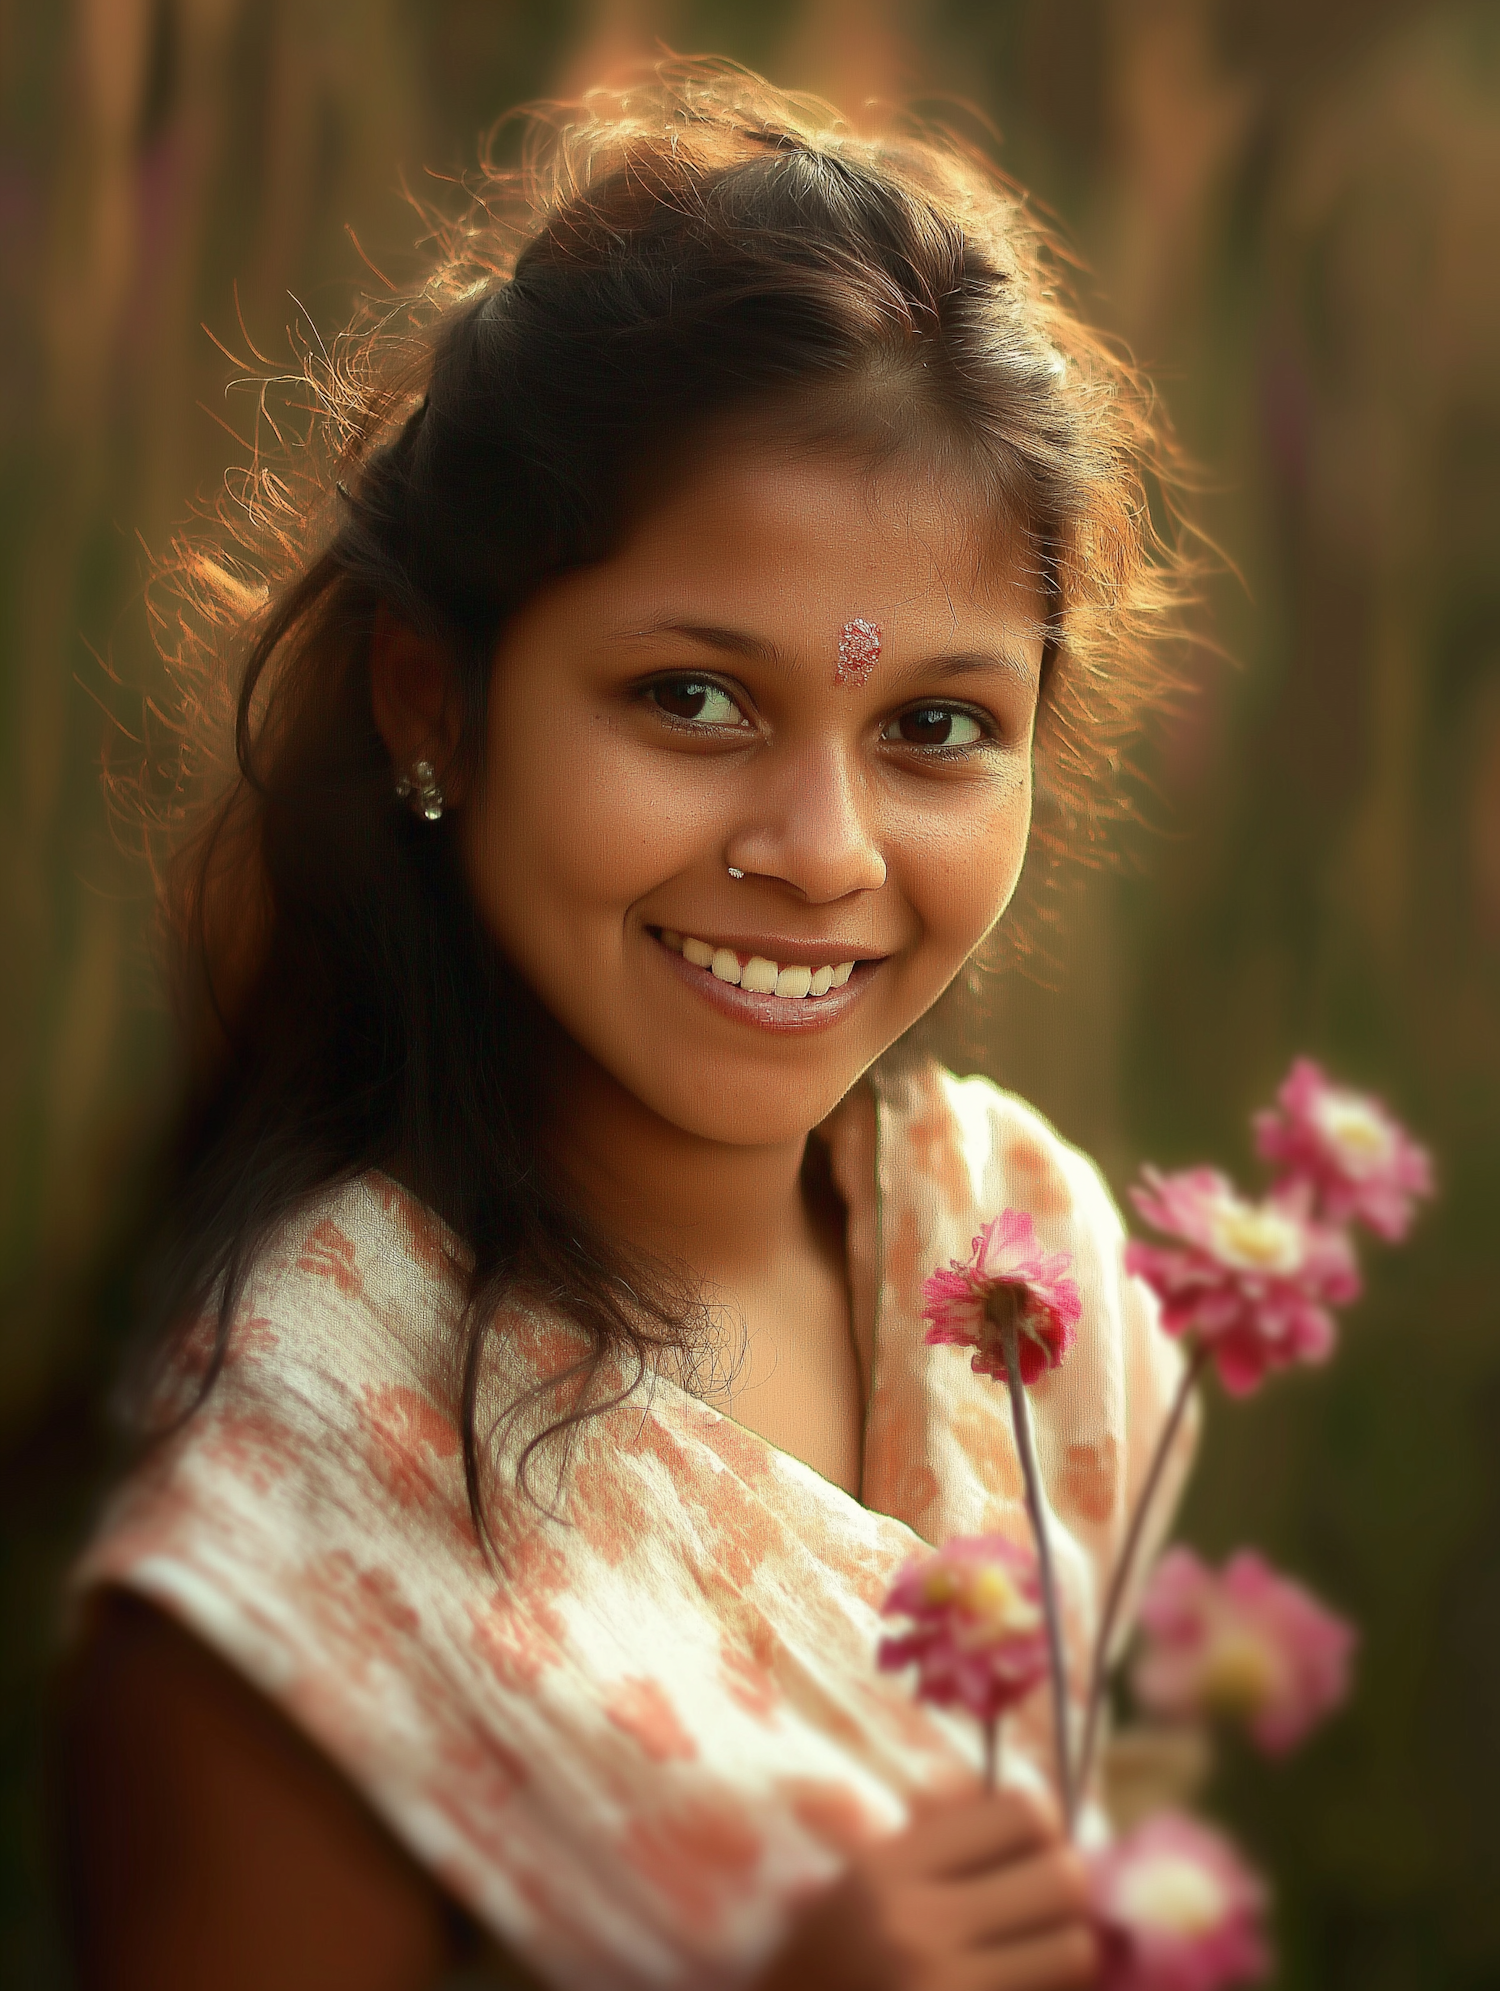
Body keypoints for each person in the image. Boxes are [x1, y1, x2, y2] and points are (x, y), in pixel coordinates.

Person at [56, 61, 1197, 1991]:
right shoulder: (302, 1505)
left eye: (934, 727)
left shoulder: (1019, 1273)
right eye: (692, 697)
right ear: (436, 705)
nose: (823, 852)